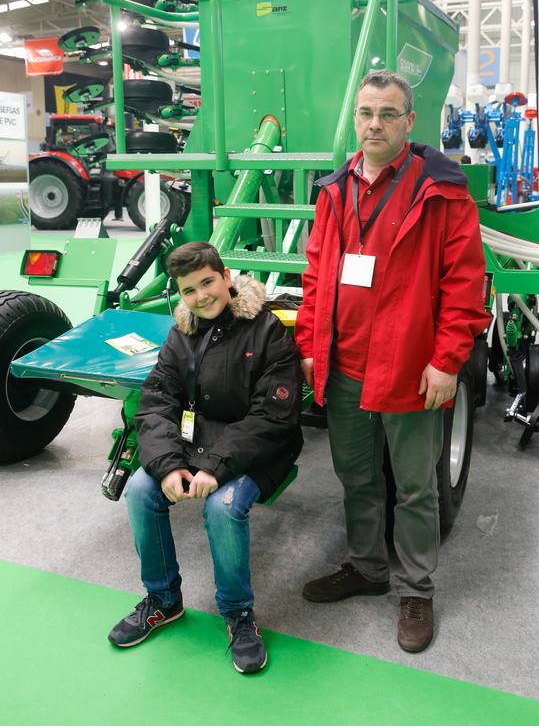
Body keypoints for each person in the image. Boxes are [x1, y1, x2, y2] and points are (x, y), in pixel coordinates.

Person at [295, 70, 488, 653]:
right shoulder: (334, 191)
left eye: (387, 114)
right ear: (355, 119)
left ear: (409, 121)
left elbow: (464, 285)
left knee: (414, 488)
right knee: (357, 477)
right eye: (365, 114)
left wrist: (447, 361)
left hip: (410, 368)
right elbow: (314, 275)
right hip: (345, 365)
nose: (373, 124)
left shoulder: (442, 192)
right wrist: (308, 348)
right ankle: (367, 567)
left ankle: (415, 590)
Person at [108, 242, 303, 674]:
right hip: (194, 445)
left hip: (258, 449)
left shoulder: (268, 331)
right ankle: (162, 599)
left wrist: (216, 467)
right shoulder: (181, 335)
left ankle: (238, 613)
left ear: (226, 277)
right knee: (141, 490)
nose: (202, 297)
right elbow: (156, 403)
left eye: (208, 282)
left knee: (223, 506)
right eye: (189, 290)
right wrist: (167, 464)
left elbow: (273, 417)